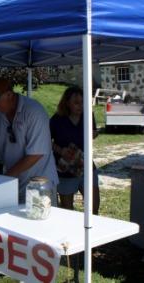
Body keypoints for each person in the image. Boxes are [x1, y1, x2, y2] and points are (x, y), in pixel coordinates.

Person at [0, 77, 58, 204]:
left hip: (39, 185)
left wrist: (4, 180)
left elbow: (35, 154)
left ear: (9, 95)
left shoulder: (34, 111)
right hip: (13, 184)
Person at [50, 86, 100, 214]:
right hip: (66, 170)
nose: (81, 106)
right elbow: (46, 142)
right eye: (76, 102)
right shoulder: (57, 120)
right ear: (67, 103)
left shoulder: (88, 116)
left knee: (93, 209)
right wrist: (61, 151)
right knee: (67, 212)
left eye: (83, 102)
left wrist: (94, 134)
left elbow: (92, 134)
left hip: (87, 167)